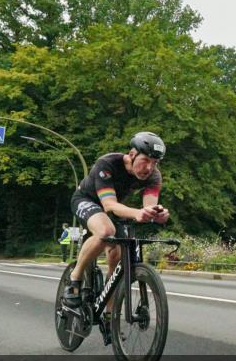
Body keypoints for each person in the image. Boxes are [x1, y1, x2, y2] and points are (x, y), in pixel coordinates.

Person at [63, 132, 170, 328]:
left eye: (155, 163)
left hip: (115, 208)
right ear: (131, 154)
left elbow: (149, 205)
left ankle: (109, 313)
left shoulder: (154, 176)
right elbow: (110, 205)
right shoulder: (108, 164)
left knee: (116, 257)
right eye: (145, 160)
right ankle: (75, 278)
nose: (149, 168)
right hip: (87, 200)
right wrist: (137, 213)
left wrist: (157, 213)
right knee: (105, 231)